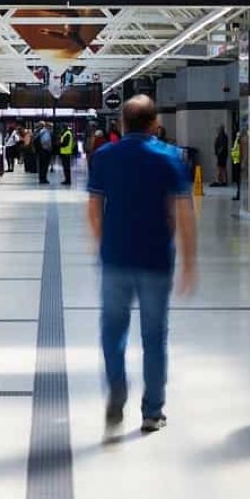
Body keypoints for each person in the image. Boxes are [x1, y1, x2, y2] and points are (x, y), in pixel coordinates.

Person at [88, 96, 196, 434]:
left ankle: (117, 388)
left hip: (116, 258)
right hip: (156, 260)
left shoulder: (104, 156)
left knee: (113, 330)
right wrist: (190, 260)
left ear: (122, 123)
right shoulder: (170, 157)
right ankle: (152, 411)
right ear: (155, 124)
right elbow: (184, 212)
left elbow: (93, 209)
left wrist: (102, 245)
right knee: (154, 336)